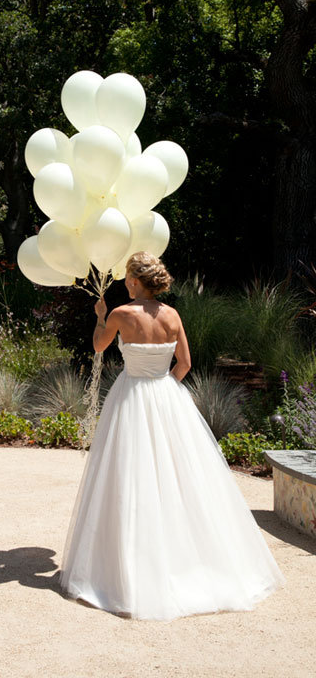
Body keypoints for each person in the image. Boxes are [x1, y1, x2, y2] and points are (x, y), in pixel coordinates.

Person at [60, 251, 284, 620]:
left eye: (127, 279)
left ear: (134, 281)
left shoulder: (120, 314)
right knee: (181, 477)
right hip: (166, 395)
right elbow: (186, 364)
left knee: (129, 475)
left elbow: (100, 346)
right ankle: (189, 561)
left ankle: (127, 569)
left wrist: (99, 318)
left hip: (131, 396)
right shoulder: (172, 315)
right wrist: (167, 391)